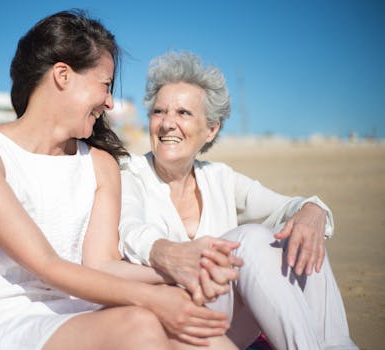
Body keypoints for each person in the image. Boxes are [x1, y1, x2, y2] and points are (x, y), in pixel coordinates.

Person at [0, 11, 239, 350]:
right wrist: (151, 299)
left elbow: (104, 265)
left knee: (205, 339)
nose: (109, 101)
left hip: (78, 315)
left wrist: (183, 269)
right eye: (105, 85)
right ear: (62, 75)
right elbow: (47, 265)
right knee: (143, 322)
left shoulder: (100, 164)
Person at [119, 51, 359, 350]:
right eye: (159, 112)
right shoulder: (130, 172)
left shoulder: (219, 177)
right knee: (250, 239)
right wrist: (167, 252)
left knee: (302, 238)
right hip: (170, 320)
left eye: (183, 113)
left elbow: (287, 207)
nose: (167, 123)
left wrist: (313, 210)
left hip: (225, 321)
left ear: (211, 129)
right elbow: (129, 230)